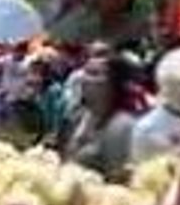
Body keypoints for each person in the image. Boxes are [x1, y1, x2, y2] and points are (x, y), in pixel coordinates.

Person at [59, 53, 139, 183]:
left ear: (114, 83)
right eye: (85, 72)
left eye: (94, 74)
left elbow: (119, 181)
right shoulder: (77, 117)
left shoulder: (122, 127)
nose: (84, 79)